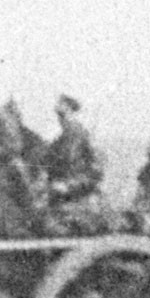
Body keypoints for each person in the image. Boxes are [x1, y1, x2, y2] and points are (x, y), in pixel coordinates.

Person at [41, 94, 108, 226]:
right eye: (58, 114)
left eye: (63, 112)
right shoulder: (60, 139)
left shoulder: (80, 135)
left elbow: (94, 170)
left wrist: (68, 185)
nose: (60, 119)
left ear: (71, 111)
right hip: (62, 194)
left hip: (78, 193)